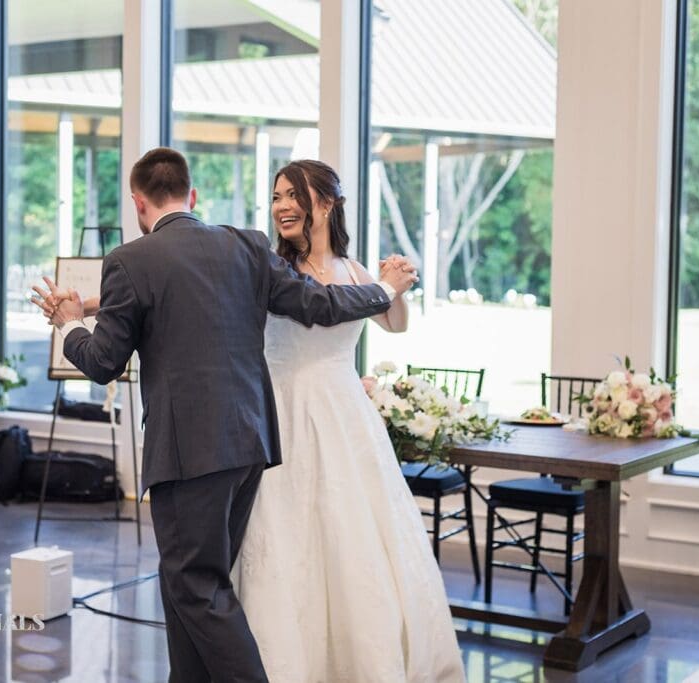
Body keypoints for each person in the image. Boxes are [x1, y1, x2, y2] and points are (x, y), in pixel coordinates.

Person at [30, 147, 418, 683]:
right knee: (187, 581)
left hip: (192, 452)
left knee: (197, 585)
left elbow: (101, 363)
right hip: (251, 442)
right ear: (191, 196)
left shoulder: (130, 259)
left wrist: (70, 323)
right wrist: (383, 290)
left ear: (138, 203)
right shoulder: (244, 245)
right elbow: (322, 307)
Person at [232, 159, 466, 682]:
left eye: (294, 194)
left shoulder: (355, 271)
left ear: (328, 202)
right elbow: (322, 309)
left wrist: (398, 283)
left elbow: (395, 324)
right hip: (283, 409)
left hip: (343, 416)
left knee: (350, 532)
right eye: (276, 197)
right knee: (286, 530)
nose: (283, 206)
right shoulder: (273, 269)